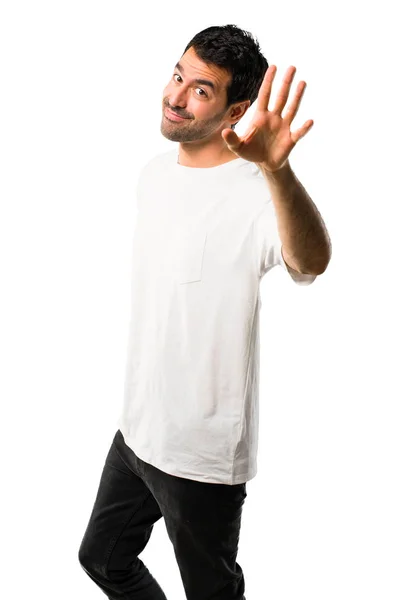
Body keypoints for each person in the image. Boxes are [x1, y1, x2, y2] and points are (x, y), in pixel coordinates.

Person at [78, 24, 331, 600]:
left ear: (235, 109)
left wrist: (277, 169)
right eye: (177, 76)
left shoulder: (256, 191)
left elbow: (310, 260)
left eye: (201, 91)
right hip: (138, 433)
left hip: (202, 456)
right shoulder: (153, 175)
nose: (174, 96)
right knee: (102, 559)